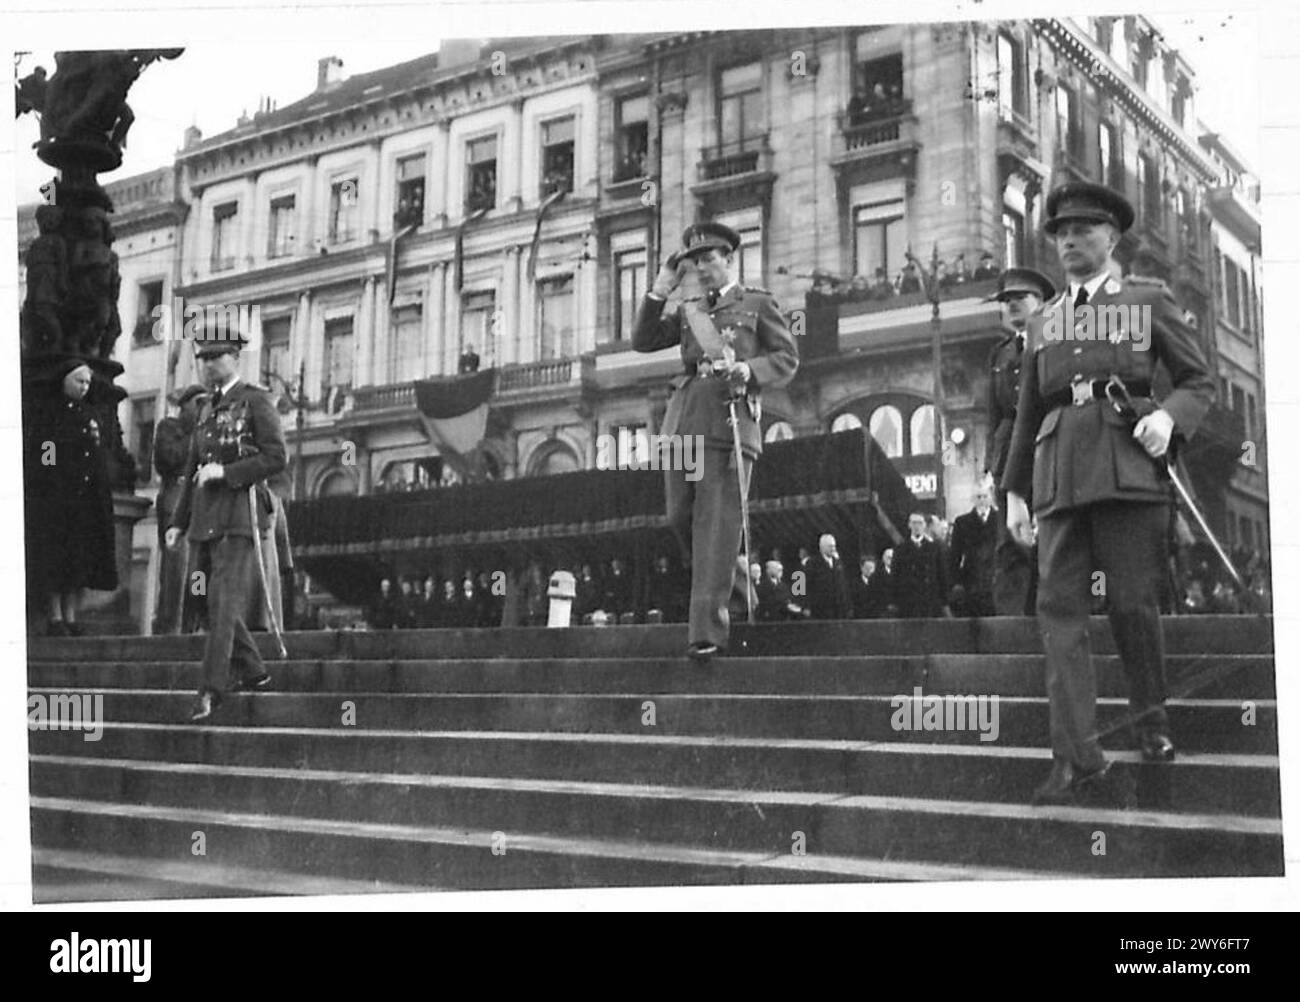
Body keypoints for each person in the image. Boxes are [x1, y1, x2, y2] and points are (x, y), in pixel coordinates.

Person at [1002, 181, 1215, 805]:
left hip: (1126, 469)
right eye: (1060, 232)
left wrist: (1168, 417)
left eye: (1082, 230)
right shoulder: (1045, 319)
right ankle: (1077, 757)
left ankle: (1152, 722)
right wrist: (1013, 494)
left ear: (1112, 238)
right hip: (1059, 476)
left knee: (1130, 606)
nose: (1068, 240)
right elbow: (1026, 410)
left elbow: (1198, 380)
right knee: (1060, 615)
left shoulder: (1147, 300)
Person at [633, 220, 799, 660]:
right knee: (678, 517)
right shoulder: (690, 309)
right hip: (684, 422)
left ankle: (707, 632)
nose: (702, 269)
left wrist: (751, 371)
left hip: (729, 425)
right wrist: (660, 289)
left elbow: (786, 356)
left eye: (709, 259)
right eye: (693, 262)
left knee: (714, 529)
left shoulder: (757, 303)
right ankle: (743, 587)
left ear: (729, 259)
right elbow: (643, 340)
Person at [166, 323, 287, 722]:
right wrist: (177, 522)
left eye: (216, 356)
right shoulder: (203, 409)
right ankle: (253, 668)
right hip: (204, 520)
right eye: (203, 358)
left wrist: (227, 472)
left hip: (240, 516)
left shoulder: (256, 401)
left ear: (236, 357)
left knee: (221, 603)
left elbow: (275, 458)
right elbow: (191, 468)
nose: (208, 365)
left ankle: (211, 689)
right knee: (204, 602)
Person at [24, 358, 118, 635]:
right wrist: (51, 481)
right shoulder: (50, 415)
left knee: (79, 560)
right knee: (56, 559)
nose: (84, 387)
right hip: (58, 498)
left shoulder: (90, 414)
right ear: (65, 381)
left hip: (85, 500)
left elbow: (97, 455)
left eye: (88, 382)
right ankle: (55, 618)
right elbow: (46, 454)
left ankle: (71, 616)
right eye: (79, 381)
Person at [984, 267, 1055, 615]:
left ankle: (1045, 618)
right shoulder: (1000, 354)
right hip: (1007, 456)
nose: (1011, 307)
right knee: (1009, 544)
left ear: (1041, 302)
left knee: (1050, 540)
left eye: (1019, 299)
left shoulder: (1057, 341)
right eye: (1005, 302)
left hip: (1048, 449)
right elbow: (993, 414)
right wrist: (987, 468)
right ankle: (1011, 626)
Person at [152, 383, 207, 634]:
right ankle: (169, 626)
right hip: (176, 500)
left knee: (199, 569)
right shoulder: (169, 428)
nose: (202, 409)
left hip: (201, 503)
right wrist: (194, 435)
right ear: (184, 406)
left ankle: (192, 624)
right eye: (198, 404)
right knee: (175, 568)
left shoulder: (205, 432)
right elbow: (168, 460)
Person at [948, 490, 999, 617]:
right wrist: (956, 581)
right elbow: (955, 555)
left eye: (985, 496)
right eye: (978, 497)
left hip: (996, 579)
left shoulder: (1000, 519)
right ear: (973, 500)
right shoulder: (962, 522)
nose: (982, 500)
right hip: (971, 581)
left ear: (991, 498)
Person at [892, 513, 951, 618]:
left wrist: (944, 601)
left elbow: (942, 575)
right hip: (908, 603)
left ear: (924, 525)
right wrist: (895, 601)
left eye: (920, 523)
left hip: (930, 601)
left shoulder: (934, 548)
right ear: (909, 525)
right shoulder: (901, 549)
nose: (917, 526)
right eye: (914, 523)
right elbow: (895, 576)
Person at [804, 532, 852, 620]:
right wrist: (806, 606)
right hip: (821, 609)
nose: (833, 549)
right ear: (822, 547)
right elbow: (805, 586)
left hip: (838, 609)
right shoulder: (812, 563)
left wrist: (847, 605)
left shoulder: (838, 563)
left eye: (834, 546)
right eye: (830, 546)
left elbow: (843, 584)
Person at [851, 555, 890, 619]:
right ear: (861, 567)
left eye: (872, 568)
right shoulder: (854, 584)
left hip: (877, 617)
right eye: (867, 568)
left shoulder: (879, 583)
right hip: (860, 617)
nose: (870, 571)